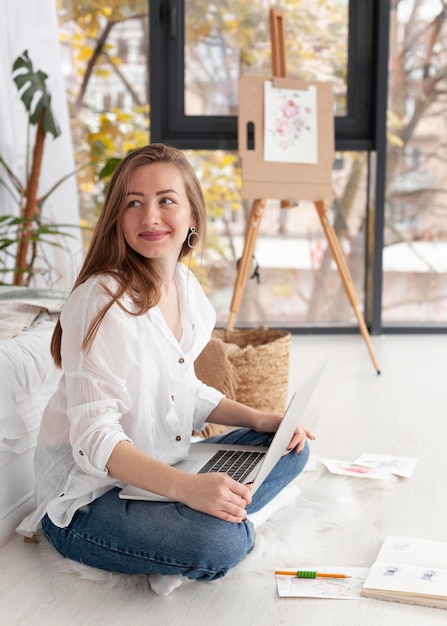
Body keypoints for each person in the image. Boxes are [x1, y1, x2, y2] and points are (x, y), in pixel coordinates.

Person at [17, 143, 314, 595]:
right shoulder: (101, 301)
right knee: (217, 542)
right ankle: (209, 529)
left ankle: (194, 526)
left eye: (166, 201)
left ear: (193, 215)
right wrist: (188, 490)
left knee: (291, 446)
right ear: (118, 218)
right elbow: (94, 441)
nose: (150, 217)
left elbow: (183, 391)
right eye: (133, 203)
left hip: (160, 470)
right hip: (88, 501)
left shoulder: (185, 288)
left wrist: (260, 418)